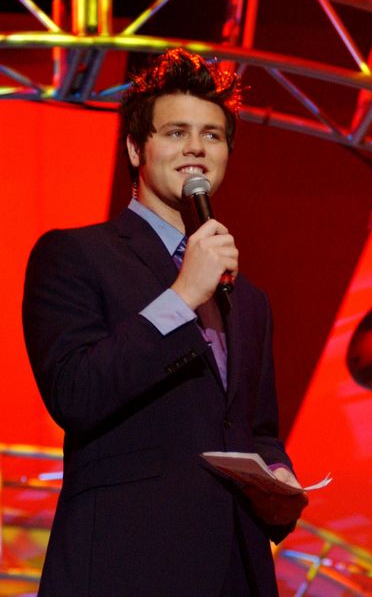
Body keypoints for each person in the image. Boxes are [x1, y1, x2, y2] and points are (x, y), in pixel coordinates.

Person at [22, 48, 307, 596]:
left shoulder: (249, 299)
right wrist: (181, 296)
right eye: (176, 132)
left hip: (235, 568)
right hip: (125, 562)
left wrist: (277, 477)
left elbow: (257, 428)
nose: (196, 148)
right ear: (136, 148)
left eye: (213, 135)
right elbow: (75, 391)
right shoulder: (76, 254)